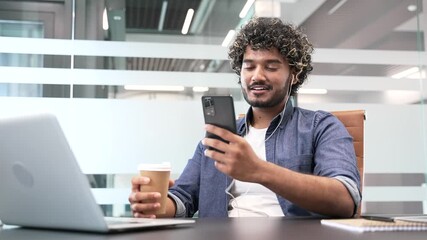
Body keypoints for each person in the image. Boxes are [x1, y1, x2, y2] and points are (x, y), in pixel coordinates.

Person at [129, 17, 361, 218]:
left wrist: (258, 170)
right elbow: (182, 198)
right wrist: (155, 204)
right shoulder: (218, 138)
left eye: (271, 67)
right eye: (249, 66)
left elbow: (345, 200)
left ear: (294, 74)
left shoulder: (321, 127)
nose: (257, 76)